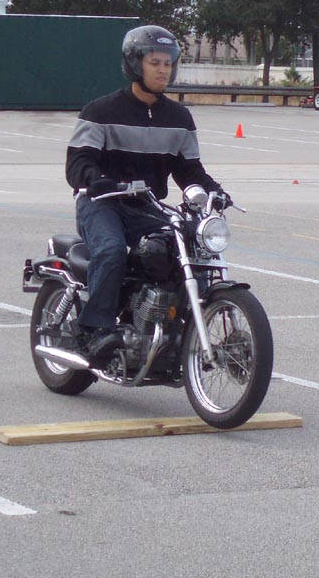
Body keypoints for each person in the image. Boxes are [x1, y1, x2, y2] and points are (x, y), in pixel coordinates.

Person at [65, 24, 228, 366]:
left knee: (187, 249)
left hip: (148, 207)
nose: (162, 69)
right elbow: (78, 162)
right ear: (134, 64)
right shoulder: (100, 112)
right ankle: (94, 330)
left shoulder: (179, 117)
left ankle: (176, 330)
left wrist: (213, 191)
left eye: (168, 63)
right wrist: (97, 181)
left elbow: (189, 170)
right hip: (103, 204)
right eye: (155, 62)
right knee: (111, 250)